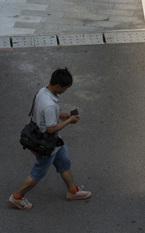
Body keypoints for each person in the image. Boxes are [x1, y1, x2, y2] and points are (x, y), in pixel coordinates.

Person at [8, 67, 91, 210]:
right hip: (46, 144)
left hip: (54, 142)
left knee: (64, 162)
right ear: (58, 86)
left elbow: (44, 113)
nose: (65, 90)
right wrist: (69, 120)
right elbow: (51, 128)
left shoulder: (42, 91)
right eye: (65, 88)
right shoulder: (50, 105)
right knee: (38, 172)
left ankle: (72, 192)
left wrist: (60, 115)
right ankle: (17, 197)